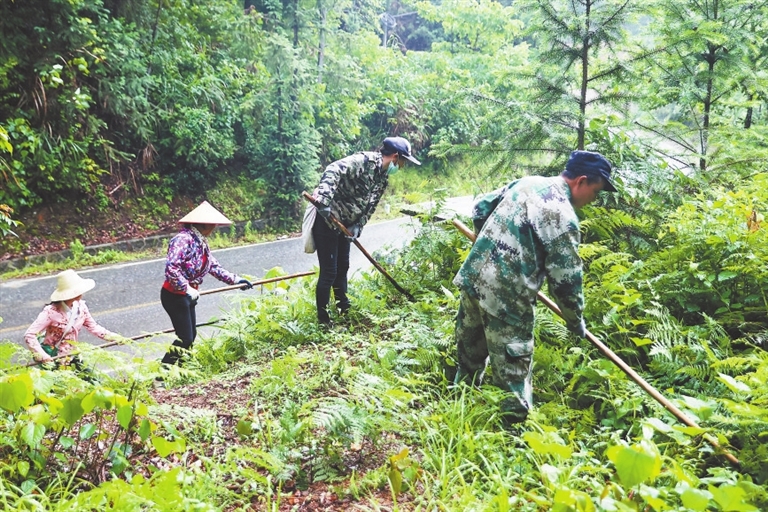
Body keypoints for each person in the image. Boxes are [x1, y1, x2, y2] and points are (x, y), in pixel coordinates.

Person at [452, 150, 617, 424]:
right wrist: (575, 321)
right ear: (581, 181)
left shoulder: (528, 182)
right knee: (513, 379)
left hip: (474, 278)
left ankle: (457, 411)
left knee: (469, 358)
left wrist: (488, 244)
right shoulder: (563, 217)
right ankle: (512, 439)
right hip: (507, 301)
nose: (594, 200)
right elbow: (566, 283)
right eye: (596, 192)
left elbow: (481, 206)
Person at [311, 136, 421, 325]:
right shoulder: (364, 161)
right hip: (328, 220)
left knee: (342, 268)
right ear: (395, 157)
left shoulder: (382, 177)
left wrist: (359, 225)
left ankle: (344, 310)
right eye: (403, 161)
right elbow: (334, 169)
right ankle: (324, 320)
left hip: (345, 226)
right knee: (329, 271)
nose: (403, 166)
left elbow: (371, 204)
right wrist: (324, 200)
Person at [160, 201, 253, 366]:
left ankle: (181, 371)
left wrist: (235, 280)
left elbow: (213, 267)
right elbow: (171, 268)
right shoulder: (183, 240)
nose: (215, 227)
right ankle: (162, 373)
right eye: (213, 224)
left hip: (189, 296)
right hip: (174, 295)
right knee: (185, 338)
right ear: (204, 224)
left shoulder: (201, 242)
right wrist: (186, 288)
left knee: (191, 337)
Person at [24, 269, 125, 377]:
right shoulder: (50, 312)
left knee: (93, 378)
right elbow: (29, 335)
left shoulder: (81, 307)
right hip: (54, 357)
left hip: (72, 353)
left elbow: (93, 327)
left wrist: (115, 338)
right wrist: (43, 356)